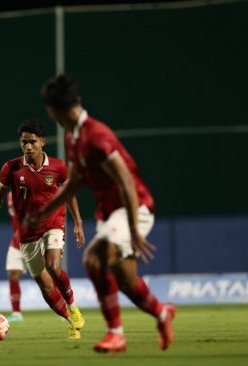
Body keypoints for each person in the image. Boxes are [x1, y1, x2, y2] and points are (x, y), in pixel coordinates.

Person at [26, 74, 176, 353]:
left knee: (95, 258)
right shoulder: (74, 139)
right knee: (127, 279)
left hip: (133, 207)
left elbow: (127, 182)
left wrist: (133, 228)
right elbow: (74, 184)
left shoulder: (97, 136)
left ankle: (115, 334)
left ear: (54, 110)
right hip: (110, 213)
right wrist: (43, 211)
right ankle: (163, 313)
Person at [0, 119, 87, 339]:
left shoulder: (58, 167)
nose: (28, 146)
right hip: (27, 234)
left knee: (53, 266)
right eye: (24, 142)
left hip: (53, 224)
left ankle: (72, 305)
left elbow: (69, 194)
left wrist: (79, 224)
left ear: (42, 142)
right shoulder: (11, 167)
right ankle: (70, 320)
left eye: (32, 142)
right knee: (44, 284)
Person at [5, 191, 26, 322]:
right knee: (13, 274)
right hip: (17, 242)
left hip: (36, 241)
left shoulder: (35, 190)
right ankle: (16, 312)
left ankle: (66, 308)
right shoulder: (11, 195)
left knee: (50, 275)